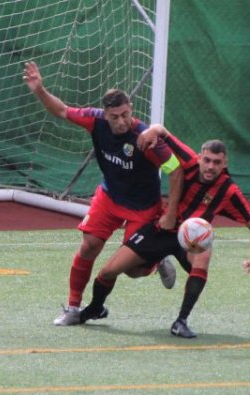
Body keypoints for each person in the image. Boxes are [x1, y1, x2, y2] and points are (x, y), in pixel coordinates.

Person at [23, 62, 183, 326]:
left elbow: (175, 171)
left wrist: (172, 214)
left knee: (132, 270)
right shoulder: (95, 121)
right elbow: (61, 110)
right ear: (105, 114)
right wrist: (39, 89)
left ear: (131, 110)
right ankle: (73, 308)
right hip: (109, 198)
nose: (121, 121)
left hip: (143, 208)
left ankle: (156, 259)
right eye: (115, 116)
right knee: (89, 246)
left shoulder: (145, 138)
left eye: (126, 114)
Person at [79, 124, 250, 338]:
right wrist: (149, 132)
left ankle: (181, 321)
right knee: (112, 271)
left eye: (217, 162)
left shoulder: (228, 190)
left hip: (190, 241)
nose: (210, 166)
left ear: (225, 163)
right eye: (207, 160)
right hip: (162, 228)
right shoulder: (190, 162)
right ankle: (96, 308)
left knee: (204, 250)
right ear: (201, 157)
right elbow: (161, 130)